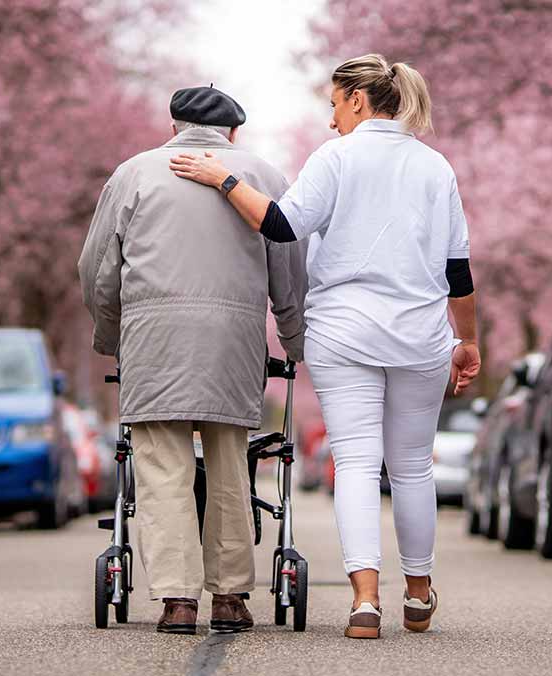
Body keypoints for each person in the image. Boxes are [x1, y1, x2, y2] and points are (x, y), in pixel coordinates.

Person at [170, 54, 481, 639]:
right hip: (421, 336)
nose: (331, 118)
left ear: (358, 101)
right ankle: (419, 593)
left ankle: (365, 602)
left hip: (345, 331)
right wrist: (468, 342)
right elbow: (459, 272)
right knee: (413, 469)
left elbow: (282, 225)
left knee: (358, 464)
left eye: (334, 104)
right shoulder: (435, 167)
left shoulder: (336, 159)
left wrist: (224, 179)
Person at [78, 85, 307, 635]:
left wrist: (111, 335)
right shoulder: (264, 176)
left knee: (160, 470)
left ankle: (178, 600)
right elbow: (290, 266)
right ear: (234, 131)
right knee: (231, 463)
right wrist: (294, 340)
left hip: (154, 338)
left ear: (174, 124)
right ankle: (229, 597)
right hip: (233, 340)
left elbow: (98, 269)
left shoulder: (133, 174)